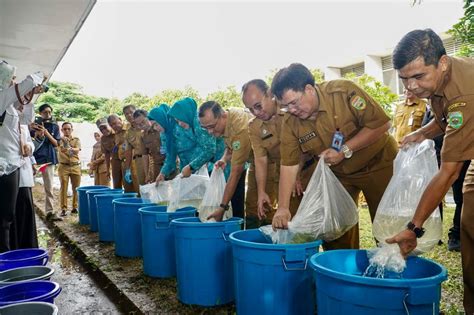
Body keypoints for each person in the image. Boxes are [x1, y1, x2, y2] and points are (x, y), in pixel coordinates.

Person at [385, 29, 474, 313]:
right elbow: (444, 120)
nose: (410, 87)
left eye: (418, 76)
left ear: (443, 63)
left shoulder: (464, 93)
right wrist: (421, 133)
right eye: (404, 79)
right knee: (470, 225)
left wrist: (413, 228)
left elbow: (448, 172)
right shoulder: (439, 84)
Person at [271, 63, 398, 250]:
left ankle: (391, 273)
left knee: (389, 229)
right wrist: (282, 207)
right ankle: (343, 273)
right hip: (339, 175)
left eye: (294, 102)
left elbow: (381, 124)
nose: (291, 110)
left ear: (309, 89)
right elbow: (288, 165)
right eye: (285, 107)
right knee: (335, 231)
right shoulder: (291, 122)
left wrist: (345, 150)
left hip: (379, 163)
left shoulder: (343, 92)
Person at [0, 59, 45, 252]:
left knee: (7, 217)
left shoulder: (8, 105)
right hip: (4, 165)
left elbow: (26, 118)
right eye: (11, 77)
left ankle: (7, 256)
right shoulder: (1, 98)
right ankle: (3, 262)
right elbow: (22, 87)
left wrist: (31, 94)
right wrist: (38, 76)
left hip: (12, 164)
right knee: (3, 219)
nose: (14, 81)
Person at [422, 106, 469, 252]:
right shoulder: (430, 108)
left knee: (460, 197)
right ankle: (429, 230)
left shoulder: (456, 103)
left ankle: (456, 235)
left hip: (458, 157)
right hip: (434, 156)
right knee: (433, 193)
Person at [198, 101, 254, 223]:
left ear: (223, 115)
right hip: (256, 161)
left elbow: (236, 172)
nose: (210, 132)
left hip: (272, 161)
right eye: (205, 128)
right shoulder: (227, 121)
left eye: (211, 126)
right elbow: (231, 146)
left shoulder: (239, 127)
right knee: (252, 206)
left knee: (261, 208)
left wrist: (222, 207)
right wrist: (224, 159)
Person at [10, 123, 38, 249]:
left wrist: (29, 147)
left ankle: (27, 250)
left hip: (23, 177)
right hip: (7, 175)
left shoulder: (23, 124)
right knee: (9, 216)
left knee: (25, 212)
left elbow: (28, 141)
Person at [31, 103, 61, 221]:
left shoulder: (54, 126)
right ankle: (27, 210)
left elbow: (56, 143)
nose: (47, 114)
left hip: (48, 160)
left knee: (49, 187)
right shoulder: (33, 126)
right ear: (40, 114)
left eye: (49, 112)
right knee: (29, 185)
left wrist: (46, 133)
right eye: (45, 112)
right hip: (35, 160)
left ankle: (50, 211)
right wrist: (34, 130)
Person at [133, 109, 166, 183]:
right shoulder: (143, 136)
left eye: (143, 122)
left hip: (171, 164)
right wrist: (147, 174)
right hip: (157, 167)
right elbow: (145, 155)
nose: (142, 125)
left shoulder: (160, 127)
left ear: (148, 117)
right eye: (139, 124)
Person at [58, 122, 81, 217]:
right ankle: (63, 208)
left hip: (75, 166)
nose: (67, 130)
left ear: (72, 129)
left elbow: (77, 149)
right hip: (64, 166)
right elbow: (62, 149)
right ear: (62, 130)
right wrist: (69, 147)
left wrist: (69, 147)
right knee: (64, 187)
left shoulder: (76, 139)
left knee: (76, 188)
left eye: (68, 129)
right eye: (64, 129)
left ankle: (75, 207)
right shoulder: (59, 140)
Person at [122, 105, 146, 193]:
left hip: (151, 159)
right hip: (138, 161)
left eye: (131, 112)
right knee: (142, 188)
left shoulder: (146, 125)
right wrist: (127, 169)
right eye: (126, 114)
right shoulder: (128, 133)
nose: (129, 115)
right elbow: (128, 151)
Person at [107, 114, 134, 192]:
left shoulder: (130, 127)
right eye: (112, 125)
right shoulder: (116, 134)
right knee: (127, 187)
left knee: (135, 187)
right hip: (123, 162)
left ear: (120, 119)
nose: (114, 126)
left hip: (132, 160)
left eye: (115, 123)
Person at [98, 118, 122, 189]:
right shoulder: (103, 139)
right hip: (115, 161)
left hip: (125, 159)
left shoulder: (118, 133)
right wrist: (108, 169)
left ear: (110, 126)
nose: (104, 131)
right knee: (116, 182)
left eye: (105, 128)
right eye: (101, 130)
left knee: (128, 183)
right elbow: (106, 154)